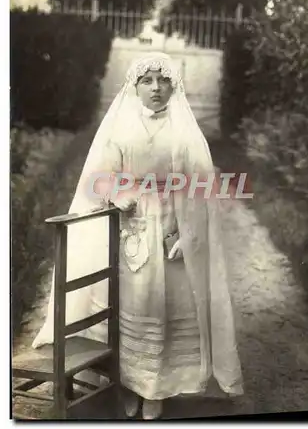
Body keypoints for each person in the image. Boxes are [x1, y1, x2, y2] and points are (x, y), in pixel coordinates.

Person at [32, 52, 243, 420]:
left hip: (171, 228)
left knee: (164, 306)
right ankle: (129, 383)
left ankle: (156, 390)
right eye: (147, 81)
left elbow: (199, 189)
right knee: (130, 304)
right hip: (129, 231)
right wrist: (120, 193)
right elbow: (100, 177)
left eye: (163, 81)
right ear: (135, 87)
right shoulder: (122, 130)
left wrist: (184, 231)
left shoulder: (183, 133)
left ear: (173, 86)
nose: (156, 88)